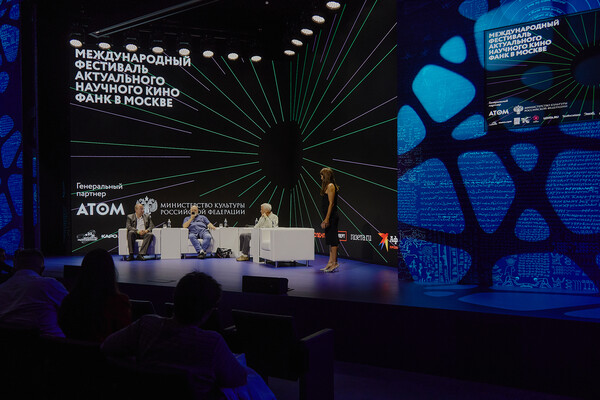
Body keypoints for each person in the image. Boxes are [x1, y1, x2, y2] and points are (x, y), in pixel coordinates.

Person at [101, 272, 248, 399]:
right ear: (208, 311)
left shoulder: (146, 325)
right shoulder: (212, 343)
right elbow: (238, 379)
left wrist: (137, 367)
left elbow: (106, 347)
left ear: (175, 298)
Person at [58, 248, 131, 342]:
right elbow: (123, 335)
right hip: (108, 350)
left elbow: (63, 326)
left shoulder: (69, 301)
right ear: (111, 272)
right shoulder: (119, 303)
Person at [0, 249, 68, 336]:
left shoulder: (2, 288)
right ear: (42, 269)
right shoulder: (48, 284)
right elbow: (72, 307)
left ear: (14, 269)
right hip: (52, 341)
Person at [320, 167, 340, 272]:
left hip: (332, 217)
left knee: (333, 240)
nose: (321, 178)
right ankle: (330, 262)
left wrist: (327, 218)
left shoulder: (331, 186)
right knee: (330, 240)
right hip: (328, 216)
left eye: (322, 175)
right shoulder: (327, 186)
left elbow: (331, 203)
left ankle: (335, 263)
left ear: (326, 176)